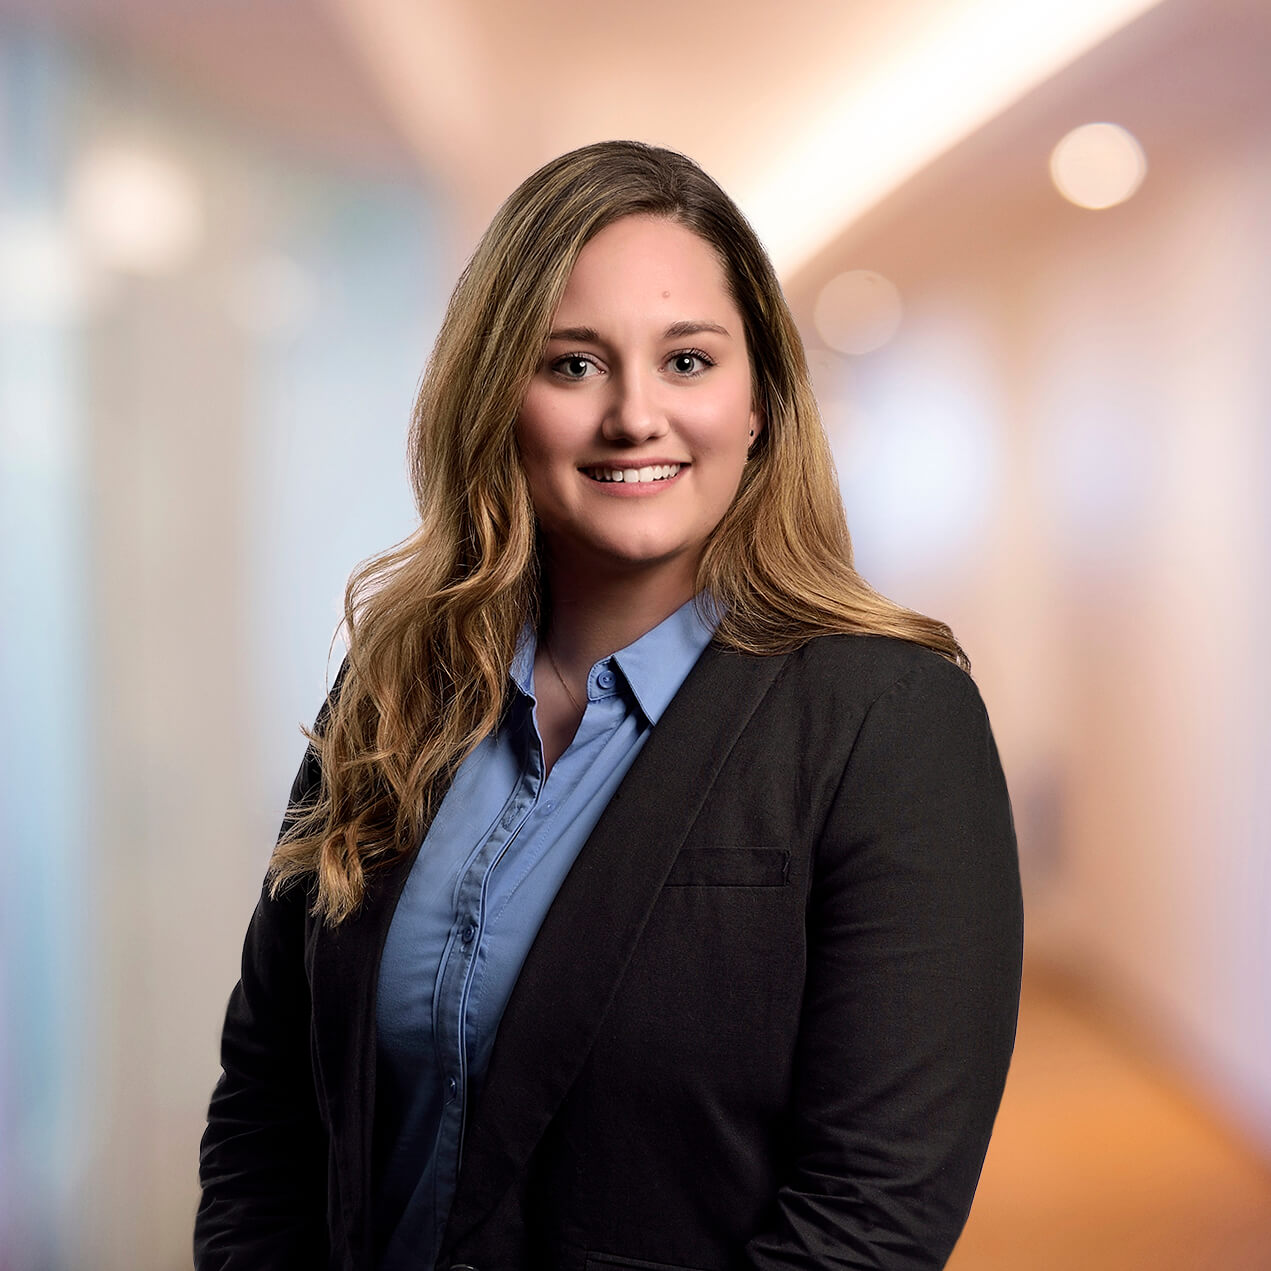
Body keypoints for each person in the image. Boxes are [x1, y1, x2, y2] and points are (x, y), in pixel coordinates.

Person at [195, 140, 1023, 1271]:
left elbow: (867, 1224)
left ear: (759, 404)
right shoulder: (389, 692)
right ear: (496, 397)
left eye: (687, 360)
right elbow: (269, 1103)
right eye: (573, 364)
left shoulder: (888, 720)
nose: (635, 415)